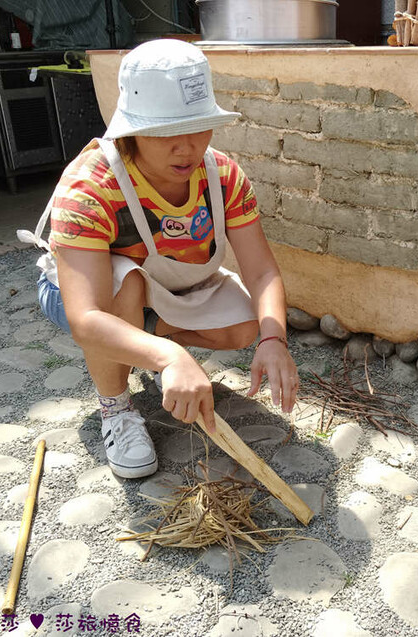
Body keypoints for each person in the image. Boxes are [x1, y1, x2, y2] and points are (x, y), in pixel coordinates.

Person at [26, 39, 298, 479]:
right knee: (124, 283)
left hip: (165, 289)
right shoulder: (91, 187)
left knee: (249, 322)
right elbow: (86, 317)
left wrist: (274, 341)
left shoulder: (222, 175)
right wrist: (171, 357)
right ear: (133, 129)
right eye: (167, 132)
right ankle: (115, 409)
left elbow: (262, 270)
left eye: (200, 126)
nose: (188, 148)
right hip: (83, 291)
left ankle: (146, 342)